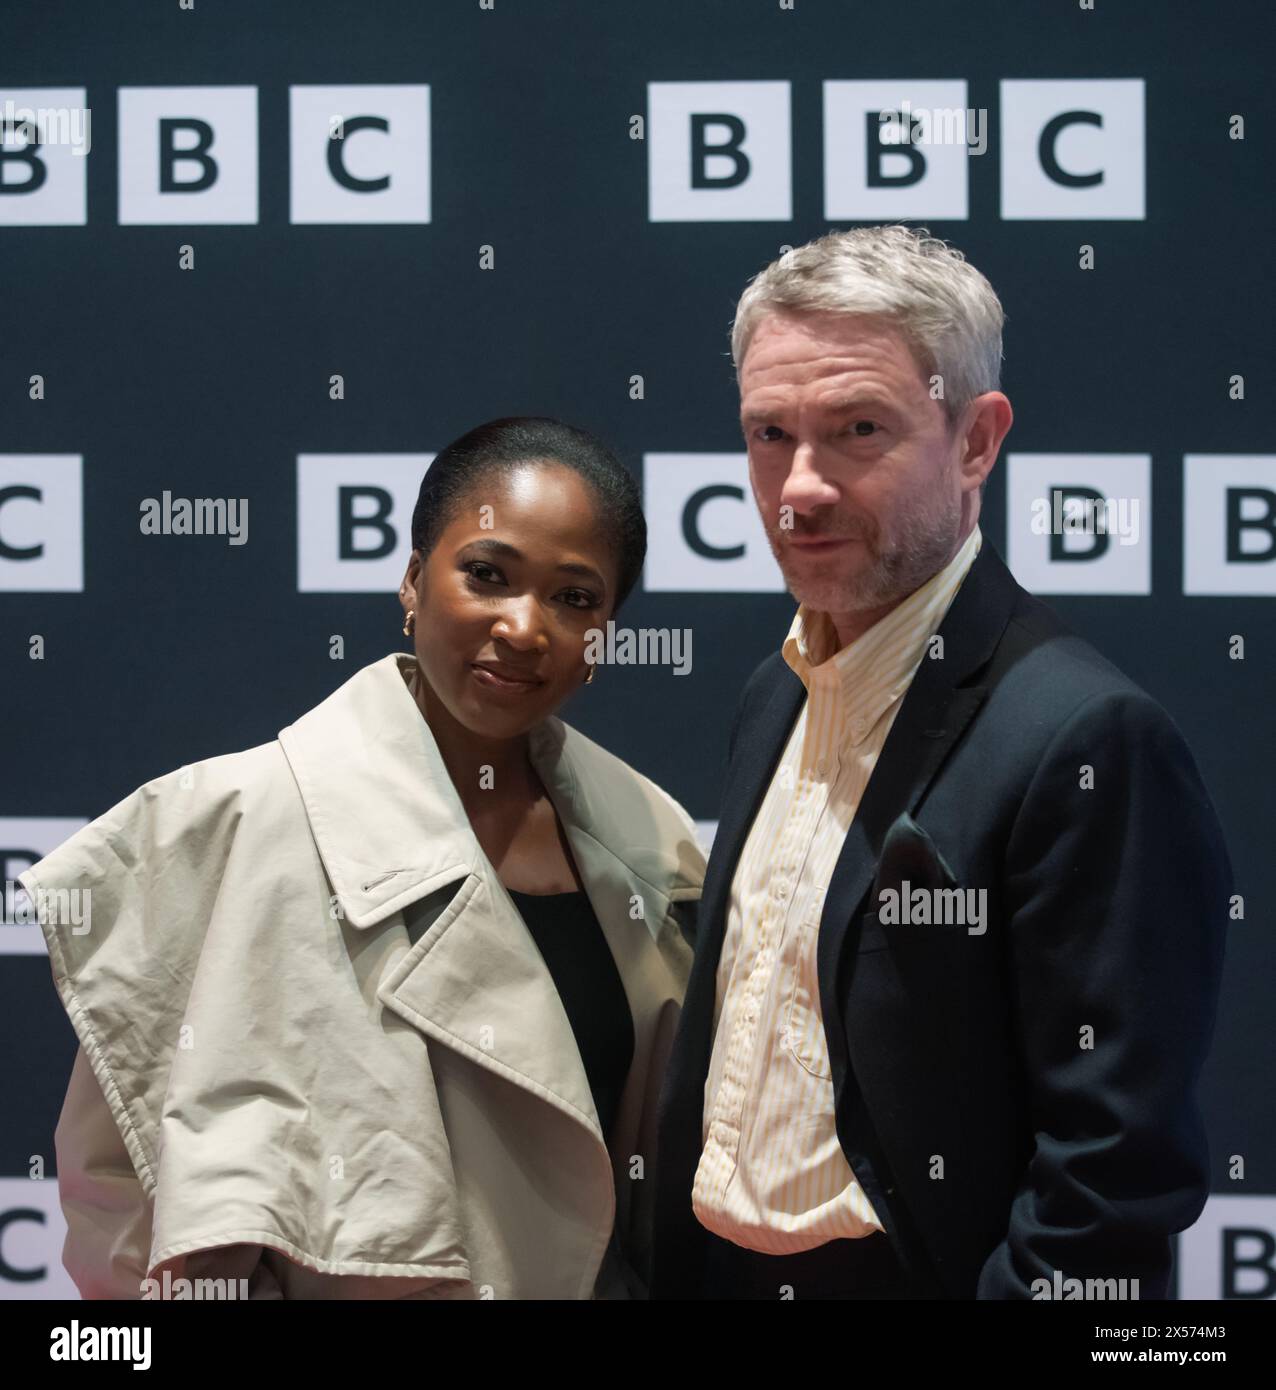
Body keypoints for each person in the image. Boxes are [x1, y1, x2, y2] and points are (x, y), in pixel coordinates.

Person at [650, 225, 1231, 1300]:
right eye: (769, 433)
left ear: (975, 440)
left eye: (858, 427)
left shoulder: (1087, 737)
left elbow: (1108, 1183)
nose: (800, 486)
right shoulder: (773, 689)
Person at [24, 417, 705, 1300]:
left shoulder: (654, 844)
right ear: (414, 579)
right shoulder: (228, 823)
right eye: (487, 574)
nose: (524, 626)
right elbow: (117, 1184)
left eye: (575, 598)